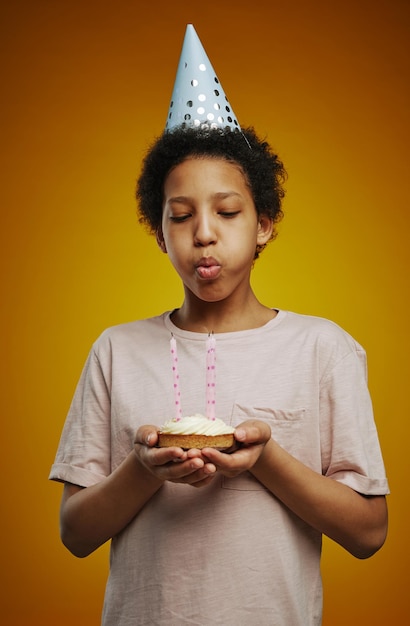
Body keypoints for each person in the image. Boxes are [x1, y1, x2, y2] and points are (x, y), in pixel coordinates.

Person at [49, 25, 389, 626]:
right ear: (160, 233)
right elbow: (75, 533)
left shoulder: (323, 349)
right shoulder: (116, 351)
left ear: (264, 224)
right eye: (181, 217)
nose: (204, 232)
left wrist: (265, 458)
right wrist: (143, 469)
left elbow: (369, 531)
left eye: (227, 211)